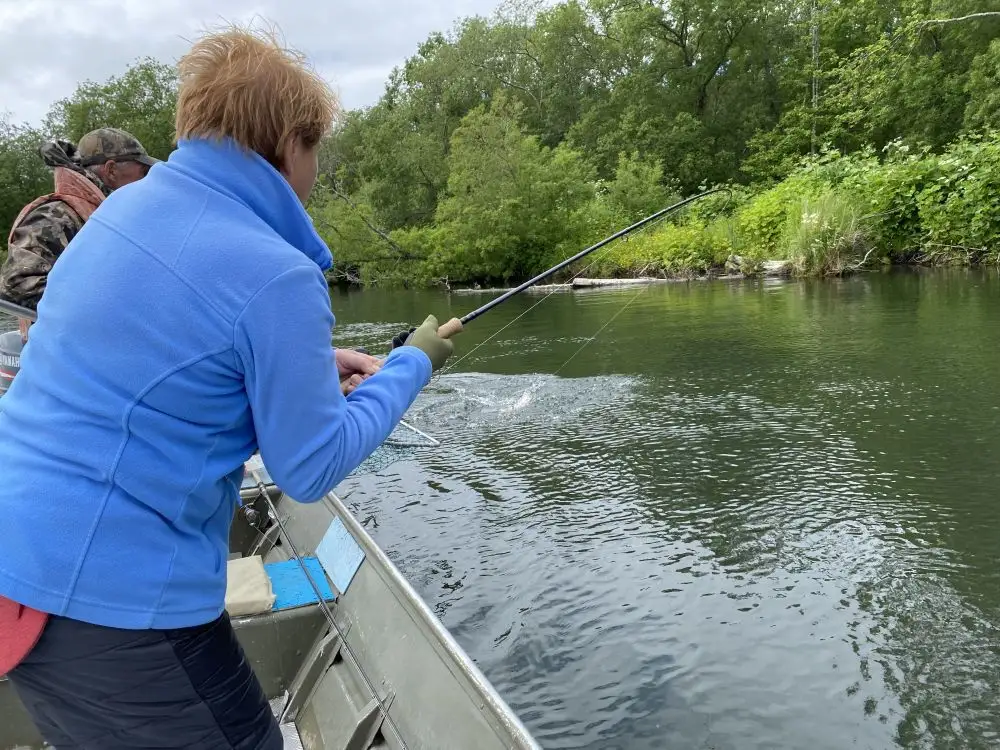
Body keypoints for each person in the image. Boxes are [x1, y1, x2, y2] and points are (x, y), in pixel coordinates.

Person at [0, 24, 458, 750]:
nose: (315, 168)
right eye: (317, 150)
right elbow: (309, 467)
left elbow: (160, 353)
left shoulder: (120, 215)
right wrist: (415, 364)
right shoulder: (275, 271)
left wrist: (306, 361)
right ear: (288, 143)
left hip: (16, 571)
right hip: (113, 602)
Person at [0, 128, 157, 315]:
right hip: (62, 343)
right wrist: (112, 305)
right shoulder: (55, 215)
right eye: (144, 172)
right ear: (111, 170)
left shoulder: (103, 214)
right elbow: (17, 284)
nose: (147, 181)